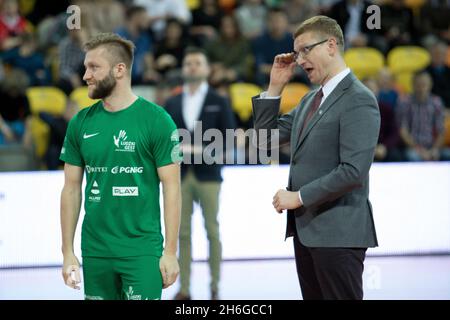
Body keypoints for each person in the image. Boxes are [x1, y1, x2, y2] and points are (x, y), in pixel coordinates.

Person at [252, 15, 380, 300]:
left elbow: (353, 171)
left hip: (339, 234)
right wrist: (274, 88)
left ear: (331, 45)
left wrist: (297, 197)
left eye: (305, 50)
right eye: (296, 53)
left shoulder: (359, 99)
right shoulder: (310, 99)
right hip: (307, 232)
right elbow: (263, 141)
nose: (299, 60)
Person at [59, 32, 182, 300]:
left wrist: (170, 252)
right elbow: (70, 189)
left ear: (119, 69)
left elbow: (172, 189)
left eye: (93, 67)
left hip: (142, 250)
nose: (85, 76)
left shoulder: (158, 121)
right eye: (85, 68)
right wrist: (67, 251)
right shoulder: (80, 123)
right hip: (95, 251)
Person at [165, 47, 236, 300]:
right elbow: (164, 141)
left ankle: (215, 285)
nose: (192, 67)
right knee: (180, 233)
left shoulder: (219, 101)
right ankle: (183, 288)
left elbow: (228, 142)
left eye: (197, 63)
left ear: (207, 69)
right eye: (188, 63)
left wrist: (193, 149)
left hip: (208, 176)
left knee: (212, 230)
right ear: (183, 70)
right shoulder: (171, 102)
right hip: (179, 177)